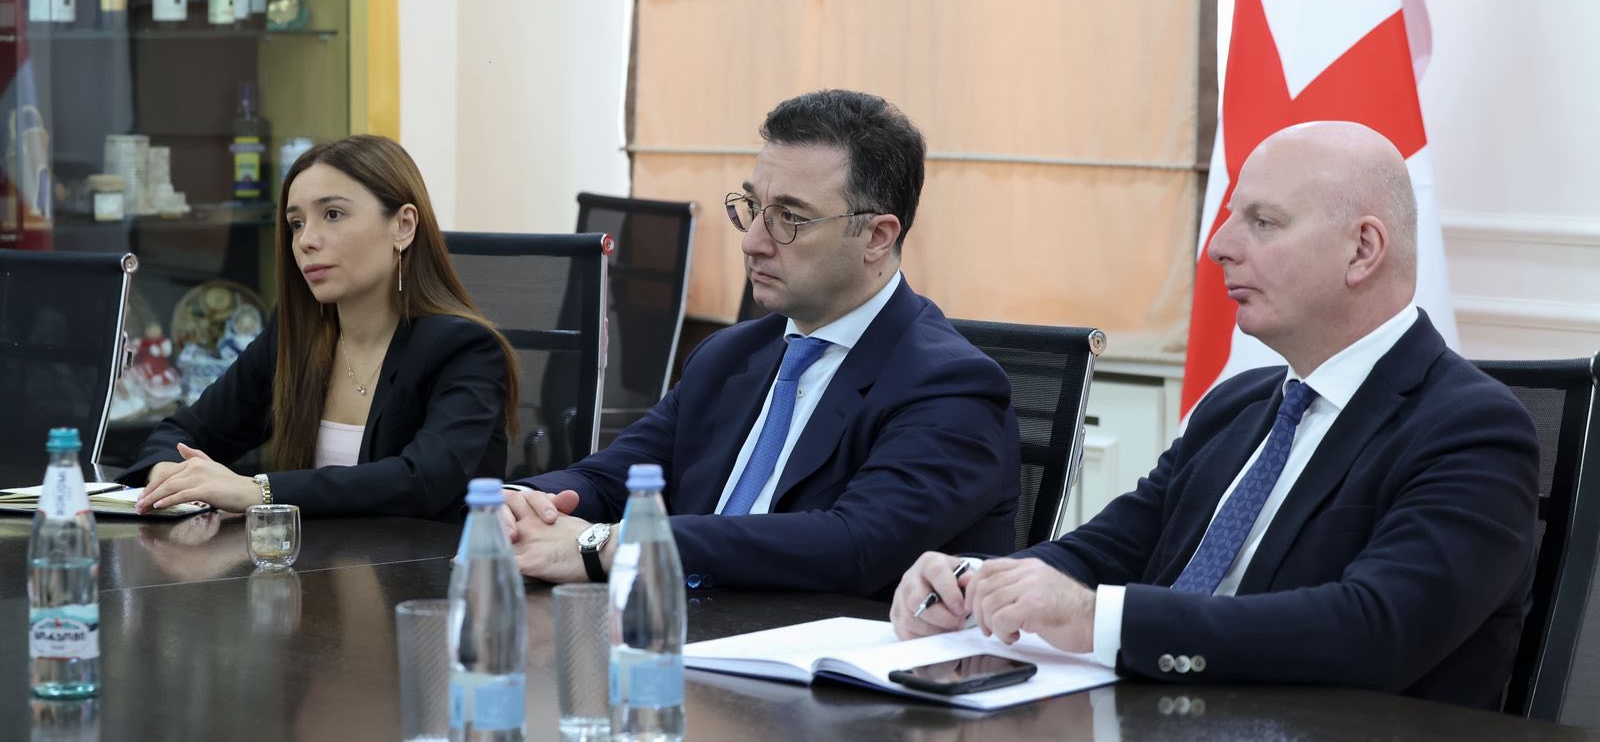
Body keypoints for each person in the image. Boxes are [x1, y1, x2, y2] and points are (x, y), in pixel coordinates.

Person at [891, 121, 1539, 710]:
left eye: (1263, 222)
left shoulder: (1473, 429)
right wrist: (977, 583)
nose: (1220, 246)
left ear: (1363, 249)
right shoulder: (1237, 406)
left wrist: (1096, 619)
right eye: (1231, 218)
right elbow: (1112, 549)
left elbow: (1375, 631)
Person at [502, 89, 1020, 597]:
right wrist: (521, 503)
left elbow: (854, 544)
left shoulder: (950, 385)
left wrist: (619, 545)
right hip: (685, 626)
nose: (752, 241)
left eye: (790, 218)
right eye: (753, 208)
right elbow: (613, 479)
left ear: (877, 236)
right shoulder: (730, 355)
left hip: (820, 646)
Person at [123, 134, 518, 520]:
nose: (305, 241)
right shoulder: (297, 338)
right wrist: (167, 474)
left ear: (403, 225)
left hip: (431, 563)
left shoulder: (464, 349)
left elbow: (423, 481)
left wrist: (259, 491)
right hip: (309, 562)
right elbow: (183, 432)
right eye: (296, 223)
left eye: (332, 214)